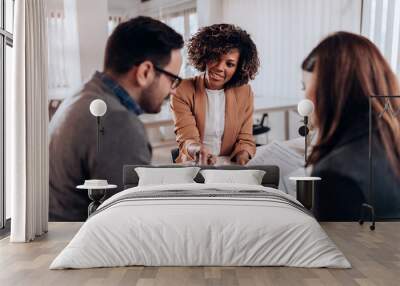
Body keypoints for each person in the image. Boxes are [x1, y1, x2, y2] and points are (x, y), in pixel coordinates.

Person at [49, 16, 184, 221]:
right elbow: (135, 220)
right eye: (173, 79)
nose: (173, 91)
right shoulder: (116, 122)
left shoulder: (84, 96)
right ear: (145, 72)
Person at [302, 31, 400, 221]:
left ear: (331, 90)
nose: (305, 97)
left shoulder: (335, 174)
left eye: (306, 86)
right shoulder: (390, 141)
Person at [170, 24, 260, 165]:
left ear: (239, 68)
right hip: (194, 164)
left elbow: (245, 139)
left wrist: (243, 157)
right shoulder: (182, 89)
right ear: (205, 56)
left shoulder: (245, 92)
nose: (219, 67)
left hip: (230, 165)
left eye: (229, 64)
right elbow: (187, 138)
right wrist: (198, 150)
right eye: (215, 58)